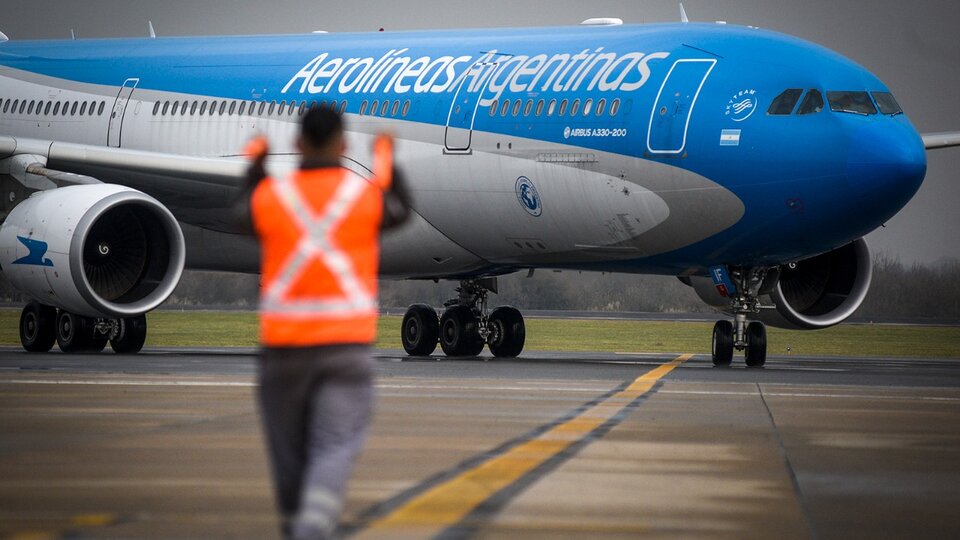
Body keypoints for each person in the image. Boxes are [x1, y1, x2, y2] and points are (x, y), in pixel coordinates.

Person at [236, 105, 410, 539]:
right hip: (345, 351)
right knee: (333, 448)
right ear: (343, 144)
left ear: (296, 144)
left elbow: (242, 213)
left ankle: (299, 525)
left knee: (290, 460)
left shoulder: (274, 196)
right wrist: (386, 158)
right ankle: (312, 528)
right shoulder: (361, 196)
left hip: (283, 355)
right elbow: (400, 207)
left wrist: (256, 166)